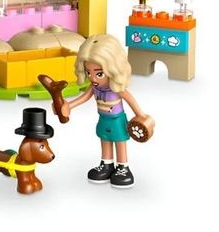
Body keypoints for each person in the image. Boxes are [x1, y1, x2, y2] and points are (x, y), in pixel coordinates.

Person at [57, 34, 153, 188]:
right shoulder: (95, 87)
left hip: (117, 120)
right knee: (105, 139)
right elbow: (85, 97)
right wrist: (69, 105)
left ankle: (123, 167)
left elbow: (130, 100)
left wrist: (141, 116)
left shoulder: (116, 88)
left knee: (120, 141)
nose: (93, 78)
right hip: (103, 119)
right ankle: (107, 164)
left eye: (99, 73)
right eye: (88, 72)